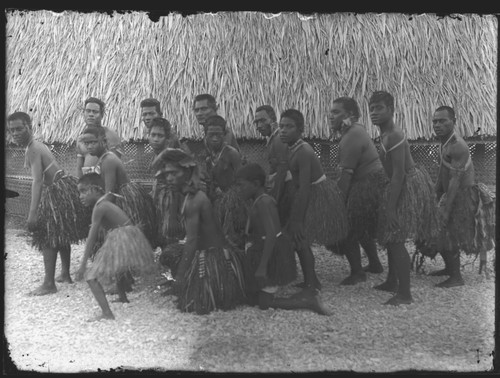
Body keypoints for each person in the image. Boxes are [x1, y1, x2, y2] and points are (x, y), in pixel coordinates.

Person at [152, 148, 246, 315]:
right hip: (208, 251)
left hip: (213, 257)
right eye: (166, 174)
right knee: (169, 253)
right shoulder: (190, 195)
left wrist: (180, 277)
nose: (169, 178)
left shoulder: (195, 200)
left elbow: (192, 241)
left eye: (174, 173)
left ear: (187, 172)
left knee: (193, 305)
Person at [7, 112, 88, 295]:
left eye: (19, 128)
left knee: (49, 234)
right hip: (62, 187)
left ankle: (49, 284)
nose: (15, 133)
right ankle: (65, 273)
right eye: (11, 130)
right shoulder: (36, 145)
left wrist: (33, 213)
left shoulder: (33, 148)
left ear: (29, 127)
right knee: (61, 232)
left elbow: (37, 181)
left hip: (57, 191)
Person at [369, 90, 437, 305]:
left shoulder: (395, 135)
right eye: (371, 109)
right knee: (390, 236)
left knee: (396, 237)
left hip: (406, 184)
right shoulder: (385, 134)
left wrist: (390, 208)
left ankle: (405, 293)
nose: (374, 113)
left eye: (379, 108)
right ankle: (392, 280)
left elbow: (398, 174)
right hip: (397, 184)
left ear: (391, 110)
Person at [235, 163, 330, 315]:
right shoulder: (259, 200)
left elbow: (271, 235)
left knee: (264, 304)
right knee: (250, 297)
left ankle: (308, 301)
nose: (238, 190)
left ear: (255, 184)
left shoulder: (264, 202)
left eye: (240, 185)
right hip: (266, 249)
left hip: (272, 255)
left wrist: (262, 266)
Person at [279, 109, 349, 292]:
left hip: (316, 195)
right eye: (281, 126)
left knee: (301, 238)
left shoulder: (303, 151)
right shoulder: (290, 147)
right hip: (307, 193)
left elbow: (304, 188)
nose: (283, 130)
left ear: (300, 129)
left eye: (289, 127)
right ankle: (311, 280)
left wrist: (297, 219)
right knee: (300, 240)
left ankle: (312, 282)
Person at [426, 106, 495, 287]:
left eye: (442, 121)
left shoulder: (458, 145)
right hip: (452, 193)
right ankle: (450, 269)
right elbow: (443, 172)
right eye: (435, 121)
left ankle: (456, 277)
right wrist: (435, 194)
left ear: (453, 122)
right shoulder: (445, 142)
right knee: (440, 230)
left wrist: (446, 211)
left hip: (462, 196)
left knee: (449, 232)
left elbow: (455, 181)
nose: (437, 125)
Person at [75, 173, 157, 321]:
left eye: (83, 191)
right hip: (129, 235)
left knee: (91, 277)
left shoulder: (99, 207)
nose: (80, 196)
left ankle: (107, 313)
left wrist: (82, 265)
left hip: (122, 237)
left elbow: (91, 238)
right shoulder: (104, 203)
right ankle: (123, 297)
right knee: (119, 266)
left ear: (95, 189)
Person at [327, 97, 388, 285]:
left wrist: (337, 203)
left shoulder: (352, 135)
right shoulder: (354, 131)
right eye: (331, 112)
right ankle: (375, 264)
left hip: (367, 187)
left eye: (336, 112)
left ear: (350, 116)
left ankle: (357, 272)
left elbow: (346, 175)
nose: (331, 116)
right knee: (362, 229)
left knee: (349, 227)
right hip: (368, 184)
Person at [204, 115, 248, 248]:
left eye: (218, 134)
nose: (215, 138)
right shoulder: (209, 158)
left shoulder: (232, 154)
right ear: (205, 135)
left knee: (233, 240)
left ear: (224, 134)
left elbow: (242, 180)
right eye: (211, 135)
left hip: (234, 205)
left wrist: (233, 200)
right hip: (218, 203)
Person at [253, 105, 294, 227]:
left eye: (262, 120)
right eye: (256, 122)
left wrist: (275, 198)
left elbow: (283, 170)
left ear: (273, 120)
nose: (259, 126)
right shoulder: (273, 138)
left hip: (287, 190)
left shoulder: (278, 139)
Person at [148, 117, 186, 246]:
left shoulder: (169, 156)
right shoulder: (158, 153)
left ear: (167, 139)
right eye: (153, 135)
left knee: (169, 238)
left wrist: (172, 218)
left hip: (170, 204)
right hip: (160, 201)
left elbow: (175, 189)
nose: (156, 139)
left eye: (160, 135)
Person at [76, 97, 123, 178]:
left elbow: (115, 166)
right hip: (88, 185)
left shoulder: (110, 135)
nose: (91, 114)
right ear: (84, 113)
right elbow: (79, 168)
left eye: (95, 112)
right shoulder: (80, 139)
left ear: (101, 115)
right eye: (88, 111)